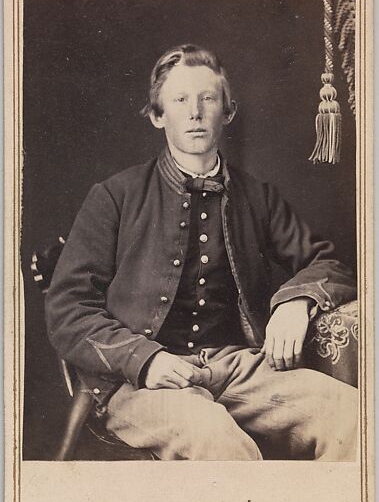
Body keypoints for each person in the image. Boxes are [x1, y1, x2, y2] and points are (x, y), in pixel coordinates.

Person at [46, 44, 357, 461]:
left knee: (354, 417)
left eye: (208, 98)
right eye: (179, 100)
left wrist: (296, 300)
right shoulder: (114, 197)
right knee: (217, 443)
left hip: (237, 367)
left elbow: (328, 262)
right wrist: (145, 359)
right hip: (140, 382)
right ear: (158, 116)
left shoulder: (258, 197)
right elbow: (68, 309)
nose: (195, 112)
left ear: (227, 112)